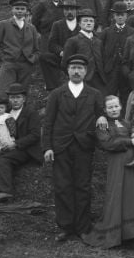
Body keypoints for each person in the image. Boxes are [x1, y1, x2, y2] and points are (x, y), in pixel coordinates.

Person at [43, 54, 105, 243]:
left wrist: (102, 118)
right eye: (73, 68)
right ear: (67, 71)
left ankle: (83, 227)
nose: (76, 71)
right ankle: (66, 227)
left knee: (83, 186)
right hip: (61, 146)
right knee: (62, 187)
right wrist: (47, 147)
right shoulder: (56, 94)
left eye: (80, 68)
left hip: (84, 146)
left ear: (86, 71)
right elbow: (48, 122)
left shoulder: (94, 94)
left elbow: (101, 116)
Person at [83, 95, 134, 248]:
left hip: (133, 164)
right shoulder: (103, 125)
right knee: (119, 196)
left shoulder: (127, 123)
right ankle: (120, 234)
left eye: (116, 106)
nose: (114, 110)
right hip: (117, 165)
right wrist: (130, 141)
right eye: (110, 107)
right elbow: (108, 144)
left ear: (121, 106)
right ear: (105, 110)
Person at [0, 84, 42, 202]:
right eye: (12, 97)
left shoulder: (30, 113)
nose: (15, 100)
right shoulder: (5, 111)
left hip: (23, 148)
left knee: (3, 159)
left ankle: (5, 191)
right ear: (8, 99)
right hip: (3, 143)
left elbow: (35, 135)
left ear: (24, 99)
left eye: (18, 97)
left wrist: (15, 144)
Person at [0, 0, 40, 97]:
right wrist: (4, 58)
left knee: (23, 95)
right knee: (4, 93)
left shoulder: (31, 28)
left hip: (26, 66)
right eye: (17, 8)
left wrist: (32, 59)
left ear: (26, 11)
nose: (19, 11)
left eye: (22, 9)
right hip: (9, 65)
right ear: (12, 10)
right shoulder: (3, 24)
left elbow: (36, 49)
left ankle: (21, 113)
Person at [62, 8, 106, 94]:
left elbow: (103, 60)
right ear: (79, 23)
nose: (89, 23)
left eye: (91, 21)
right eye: (85, 21)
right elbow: (65, 64)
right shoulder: (73, 41)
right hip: (82, 80)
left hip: (99, 80)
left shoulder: (98, 41)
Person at [31, 0, 65, 91]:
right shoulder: (43, 4)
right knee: (46, 60)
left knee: (58, 59)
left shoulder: (64, 5)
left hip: (60, 38)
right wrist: (42, 32)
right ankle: (50, 85)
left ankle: (60, 84)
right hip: (46, 37)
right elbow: (34, 21)